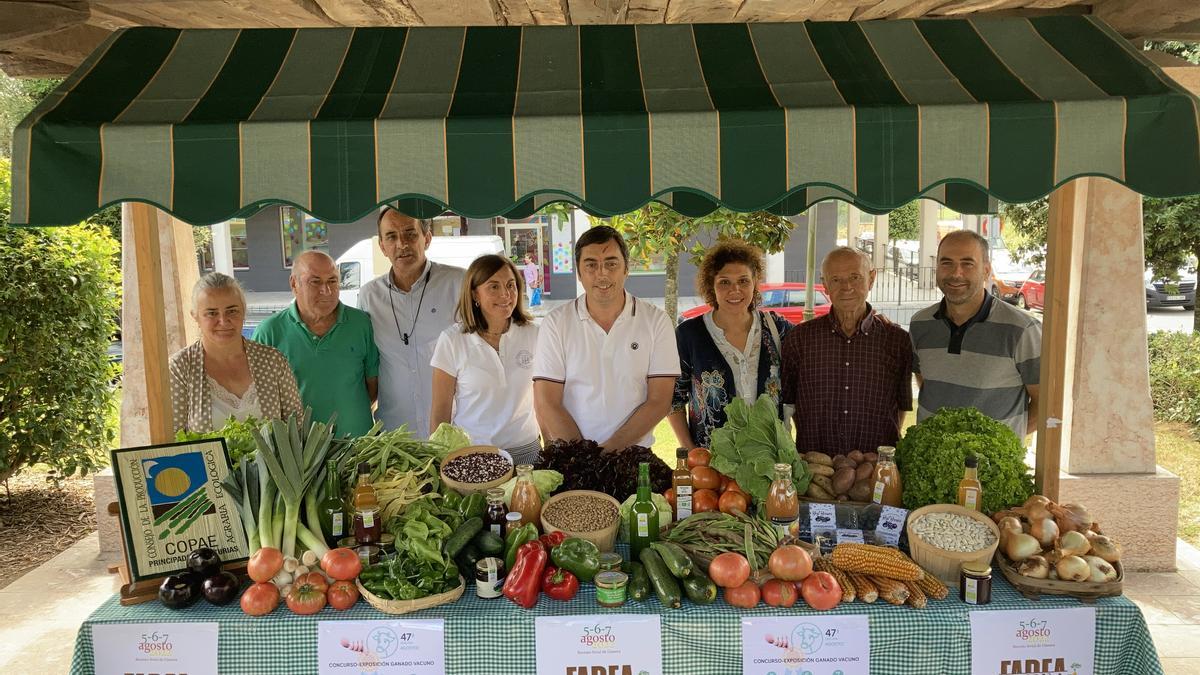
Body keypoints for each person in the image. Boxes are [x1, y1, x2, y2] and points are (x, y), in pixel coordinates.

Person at [533, 226, 680, 450]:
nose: (602, 273)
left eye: (611, 263)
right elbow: (547, 401)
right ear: (579, 273)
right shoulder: (555, 323)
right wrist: (586, 458)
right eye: (591, 265)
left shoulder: (656, 321)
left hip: (633, 456)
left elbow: (659, 401)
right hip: (574, 457)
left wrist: (608, 451)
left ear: (626, 269)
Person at [781, 247, 913, 455]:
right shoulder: (800, 339)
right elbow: (789, 404)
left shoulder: (897, 340)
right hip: (815, 470)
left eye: (855, 277)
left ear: (871, 278)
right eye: (836, 279)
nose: (847, 287)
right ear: (824, 284)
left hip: (873, 472)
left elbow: (902, 406)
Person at [910, 230, 1042, 439]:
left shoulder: (1022, 329)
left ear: (986, 270)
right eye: (946, 263)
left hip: (989, 470)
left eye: (967, 263)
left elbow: (1046, 403)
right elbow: (926, 382)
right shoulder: (920, 324)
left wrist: (1000, 444)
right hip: (930, 464)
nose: (956, 273)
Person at [669, 240, 791, 450]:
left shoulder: (777, 329)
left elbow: (798, 389)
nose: (735, 290)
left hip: (770, 457)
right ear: (711, 285)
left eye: (743, 281)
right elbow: (674, 401)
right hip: (712, 464)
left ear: (755, 283)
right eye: (724, 282)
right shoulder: (689, 335)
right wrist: (692, 453)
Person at [359, 207, 465, 438]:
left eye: (410, 234)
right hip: (395, 435)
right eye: (391, 236)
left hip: (454, 431)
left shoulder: (458, 284)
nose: (402, 244)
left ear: (427, 239)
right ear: (382, 246)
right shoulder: (369, 296)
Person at [252, 250, 379, 437]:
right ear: (294, 284)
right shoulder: (269, 332)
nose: (326, 290)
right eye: (315, 281)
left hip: (360, 450)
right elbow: (258, 400)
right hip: (299, 457)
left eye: (332, 281)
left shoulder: (361, 323)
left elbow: (373, 386)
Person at [430, 254, 541, 464]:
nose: (506, 294)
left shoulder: (534, 334)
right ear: (475, 294)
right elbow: (439, 414)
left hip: (528, 454)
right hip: (474, 456)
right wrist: (439, 465)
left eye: (511, 285)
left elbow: (546, 397)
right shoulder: (452, 340)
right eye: (494, 287)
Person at [170, 273, 302, 433]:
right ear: (195, 317)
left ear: (244, 312)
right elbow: (173, 439)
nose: (223, 321)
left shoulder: (272, 360)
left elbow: (296, 426)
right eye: (211, 313)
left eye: (232, 311)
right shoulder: (180, 368)